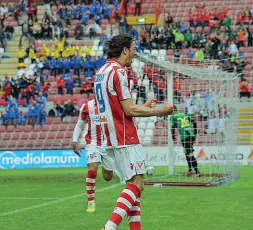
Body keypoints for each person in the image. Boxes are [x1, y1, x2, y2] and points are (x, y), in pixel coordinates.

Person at [94, 34, 174, 230]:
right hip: (123, 134)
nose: (136, 52)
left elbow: (120, 107)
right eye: (134, 48)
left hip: (108, 133)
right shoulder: (119, 72)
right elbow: (129, 110)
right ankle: (109, 228)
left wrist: (144, 106)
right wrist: (159, 111)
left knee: (134, 184)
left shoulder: (101, 71)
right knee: (137, 185)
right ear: (125, 50)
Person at [72, 99, 114, 213]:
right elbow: (79, 124)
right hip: (93, 143)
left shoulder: (112, 102)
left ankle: (105, 167)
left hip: (109, 144)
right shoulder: (87, 106)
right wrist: (75, 141)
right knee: (92, 170)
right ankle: (91, 202)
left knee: (108, 177)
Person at [170, 105, 200, 178]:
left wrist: (173, 137)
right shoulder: (184, 114)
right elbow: (194, 122)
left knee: (189, 154)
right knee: (187, 153)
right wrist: (195, 132)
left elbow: (172, 128)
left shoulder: (173, 116)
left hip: (185, 137)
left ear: (173, 110)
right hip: (191, 135)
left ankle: (197, 172)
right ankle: (190, 170)